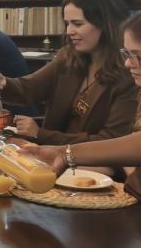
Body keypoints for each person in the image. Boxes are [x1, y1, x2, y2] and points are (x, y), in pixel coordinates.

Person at [0, 0, 138, 146]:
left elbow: (110, 141)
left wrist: (41, 134)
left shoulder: (130, 74)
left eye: (77, 24)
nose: (69, 31)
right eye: (67, 23)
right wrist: (3, 83)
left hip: (86, 159)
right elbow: (30, 88)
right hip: (51, 153)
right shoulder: (68, 57)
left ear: (105, 24)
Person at [23, 11, 141, 174]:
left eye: (138, 56)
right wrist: (64, 154)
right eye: (127, 54)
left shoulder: (125, 81)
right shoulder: (70, 57)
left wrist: (54, 146)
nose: (127, 63)